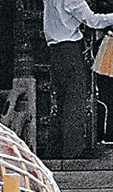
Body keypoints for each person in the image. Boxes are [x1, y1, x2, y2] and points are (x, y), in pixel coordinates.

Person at [43, 0, 113, 158]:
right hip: (69, 49)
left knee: (60, 102)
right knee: (74, 101)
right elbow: (93, 21)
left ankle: (56, 150)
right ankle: (72, 151)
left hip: (55, 50)